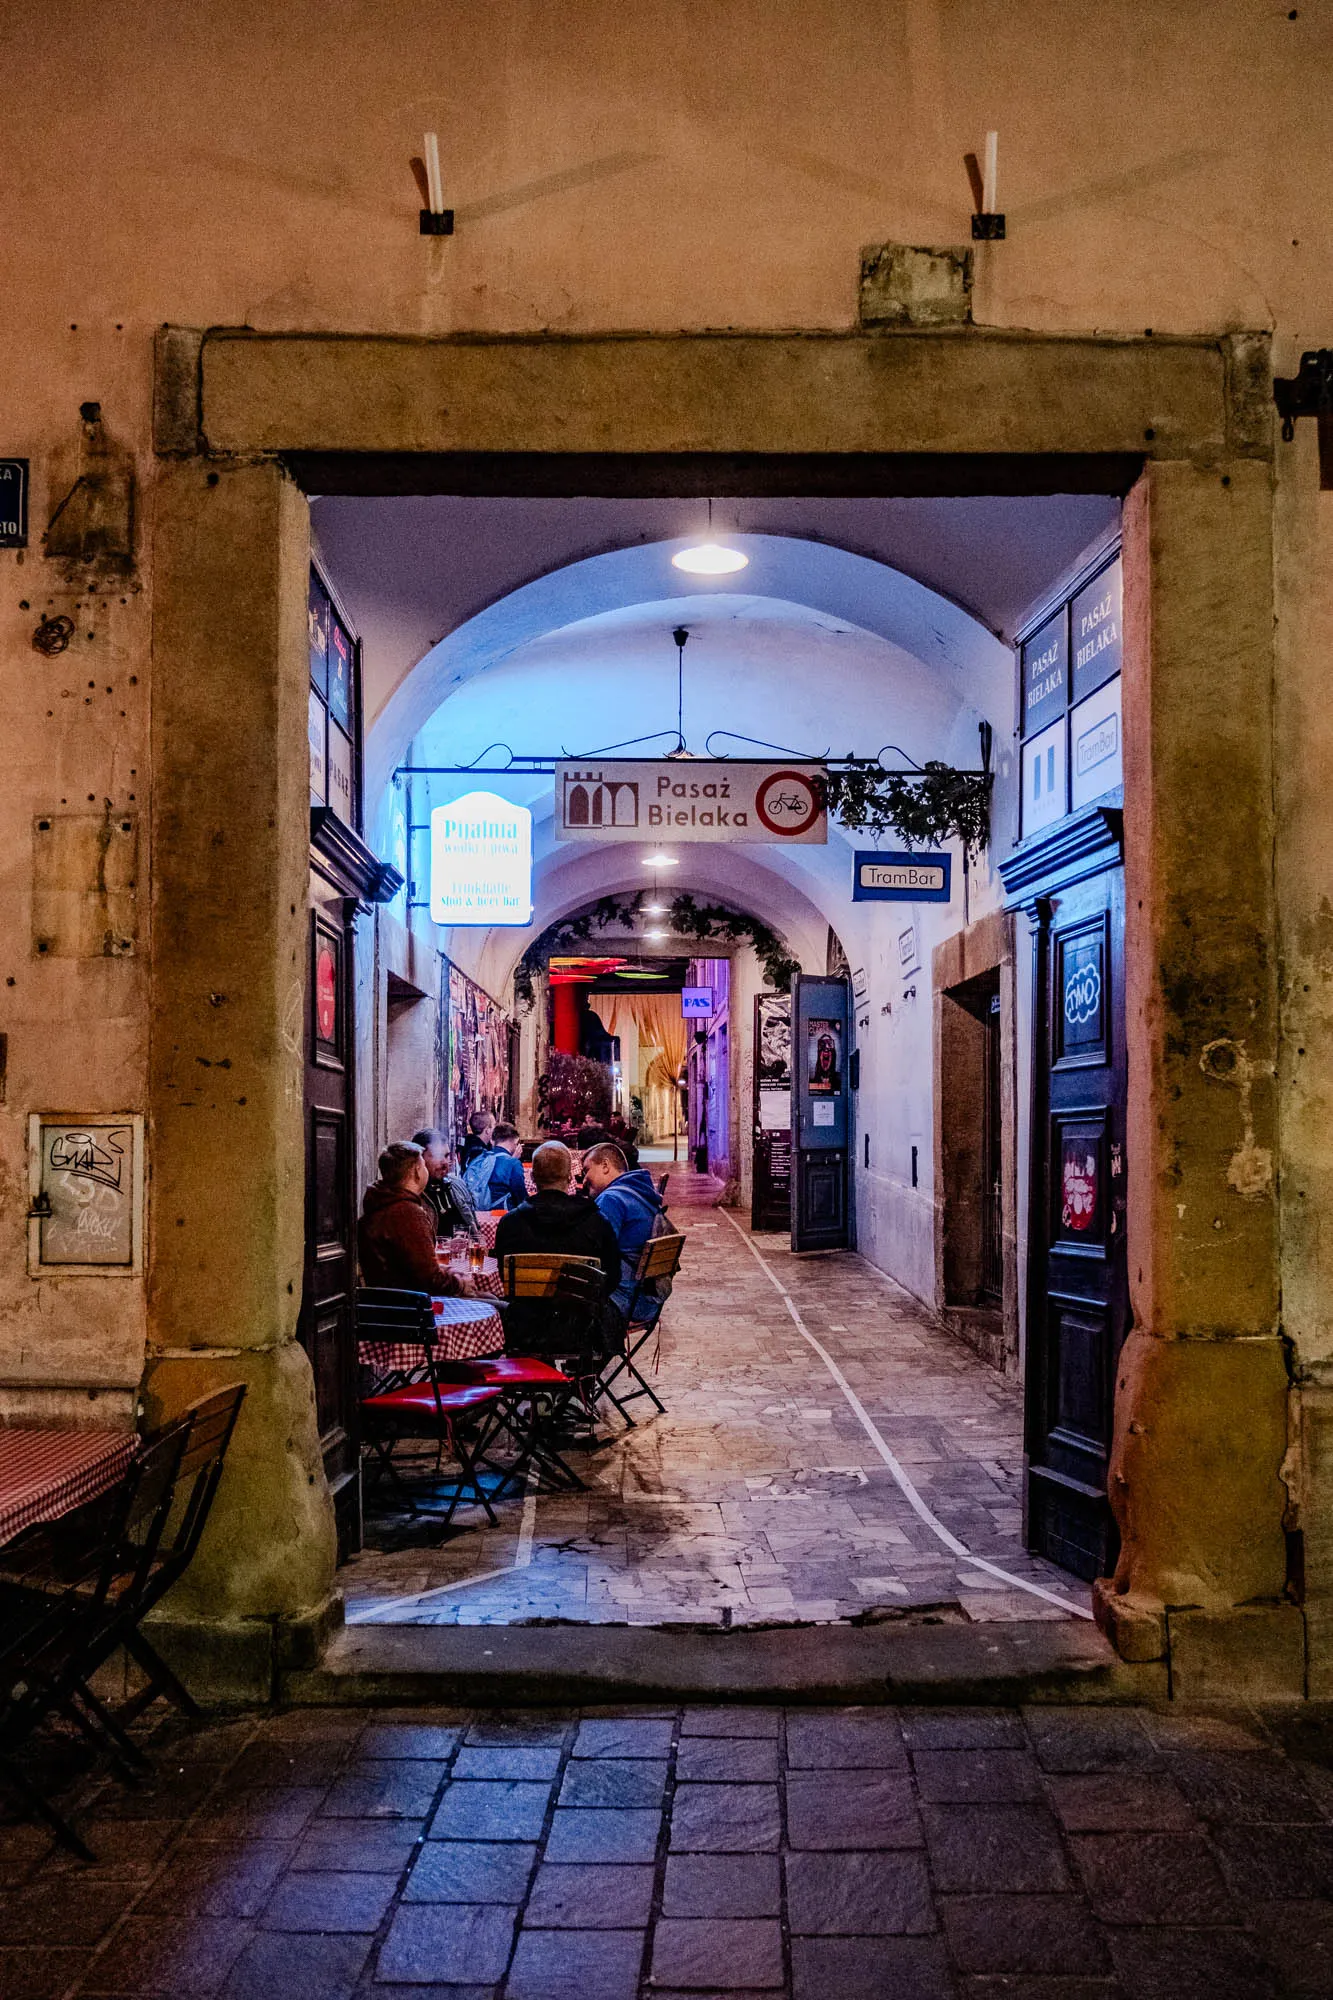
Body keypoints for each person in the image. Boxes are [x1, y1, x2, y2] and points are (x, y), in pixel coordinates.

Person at [494, 1141, 621, 1316]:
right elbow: (612, 1277)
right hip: (582, 1324)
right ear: (569, 1177)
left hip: (524, 1323)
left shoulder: (510, 1223)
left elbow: (504, 1276)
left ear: (532, 1177)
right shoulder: (596, 1222)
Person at [357, 1142, 473, 1296]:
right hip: (410, 1307)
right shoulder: (407, 1213)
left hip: (394, 1302)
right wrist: (460, 1283)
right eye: (424, 1165)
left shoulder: (384, 1204)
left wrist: (451, 1271)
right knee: (499, 1307)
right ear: (417, 1172)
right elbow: (431, 1279)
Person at [583, 1141, 669, 1324]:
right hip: (648, 1300)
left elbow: (595, 1252)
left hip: (625, 1301)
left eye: (586, 1171)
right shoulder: (641, 1192)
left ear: (605, 1166)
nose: (583, 1180)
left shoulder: (612, 1199)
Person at [411, 1127, 480, 1240]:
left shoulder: (457, 1184)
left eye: (446, 1156)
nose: (444, 1163)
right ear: (420, 1159)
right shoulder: (412, 1194)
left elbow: (475, 1230)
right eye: (437, 1155)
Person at [462, 1121, 528, 1212]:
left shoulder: (480, 1158)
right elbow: (521, 1198)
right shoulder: (513, 1163)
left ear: (492, 1141)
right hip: (501, 1216)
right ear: (516, 1141)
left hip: (476, 1213)